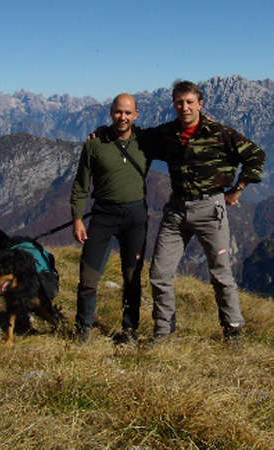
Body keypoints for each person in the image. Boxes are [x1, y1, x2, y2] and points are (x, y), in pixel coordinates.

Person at [141, 80, 266, 345]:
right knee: (160, 274)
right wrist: (104, 132)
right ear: (174, 105)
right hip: (176, 211)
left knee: (220, 273)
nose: (184, 108)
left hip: (210, 210)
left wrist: (238, 188)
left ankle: (233, 331)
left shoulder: (219, 133)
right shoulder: (167, 133)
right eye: (179, 102)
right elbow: (135, 137)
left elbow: (256, 155)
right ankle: (164, 332)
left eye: (189, 102)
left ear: (201, 104)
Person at [70, 93, 151, 342]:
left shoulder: (147, 141)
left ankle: (130, 330)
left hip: (135, 218)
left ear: (136, 115)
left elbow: (180, 134)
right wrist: (77, 218)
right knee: (88, 277)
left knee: (132, 278)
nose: (123, 117)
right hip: (103, 216)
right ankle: (84, 328)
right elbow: (81, 185)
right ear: (111, 112)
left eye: (128, 113)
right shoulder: (95, 144)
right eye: (118, 112)